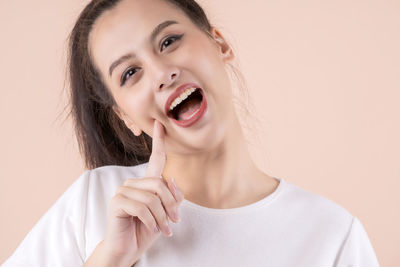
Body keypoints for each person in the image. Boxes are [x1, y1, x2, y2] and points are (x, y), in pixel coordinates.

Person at [2, 0, 380, 266]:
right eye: (130, 73)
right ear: (125, 117)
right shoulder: (93, 203)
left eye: (169, 41)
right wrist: (109, 260)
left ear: (220, 44)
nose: (162, 72)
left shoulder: (333, 233)